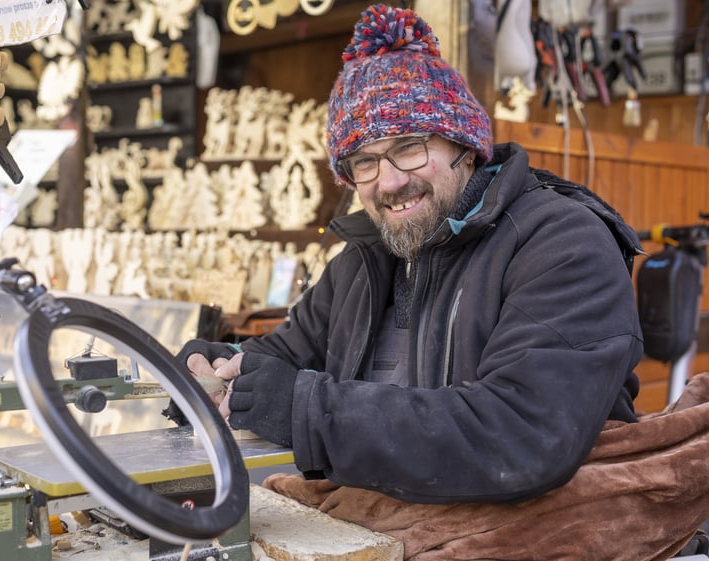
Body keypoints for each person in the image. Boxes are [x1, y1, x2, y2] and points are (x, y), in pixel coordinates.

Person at [171, 3, 643, 505]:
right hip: (394, 531)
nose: (390, 182)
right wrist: (221, 369)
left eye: (410, 147)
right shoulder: (362, 264)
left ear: (465, 146)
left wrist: (306, 409)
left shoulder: (563, 243)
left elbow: (522, 435)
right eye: (365, 163)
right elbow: (282, 357)